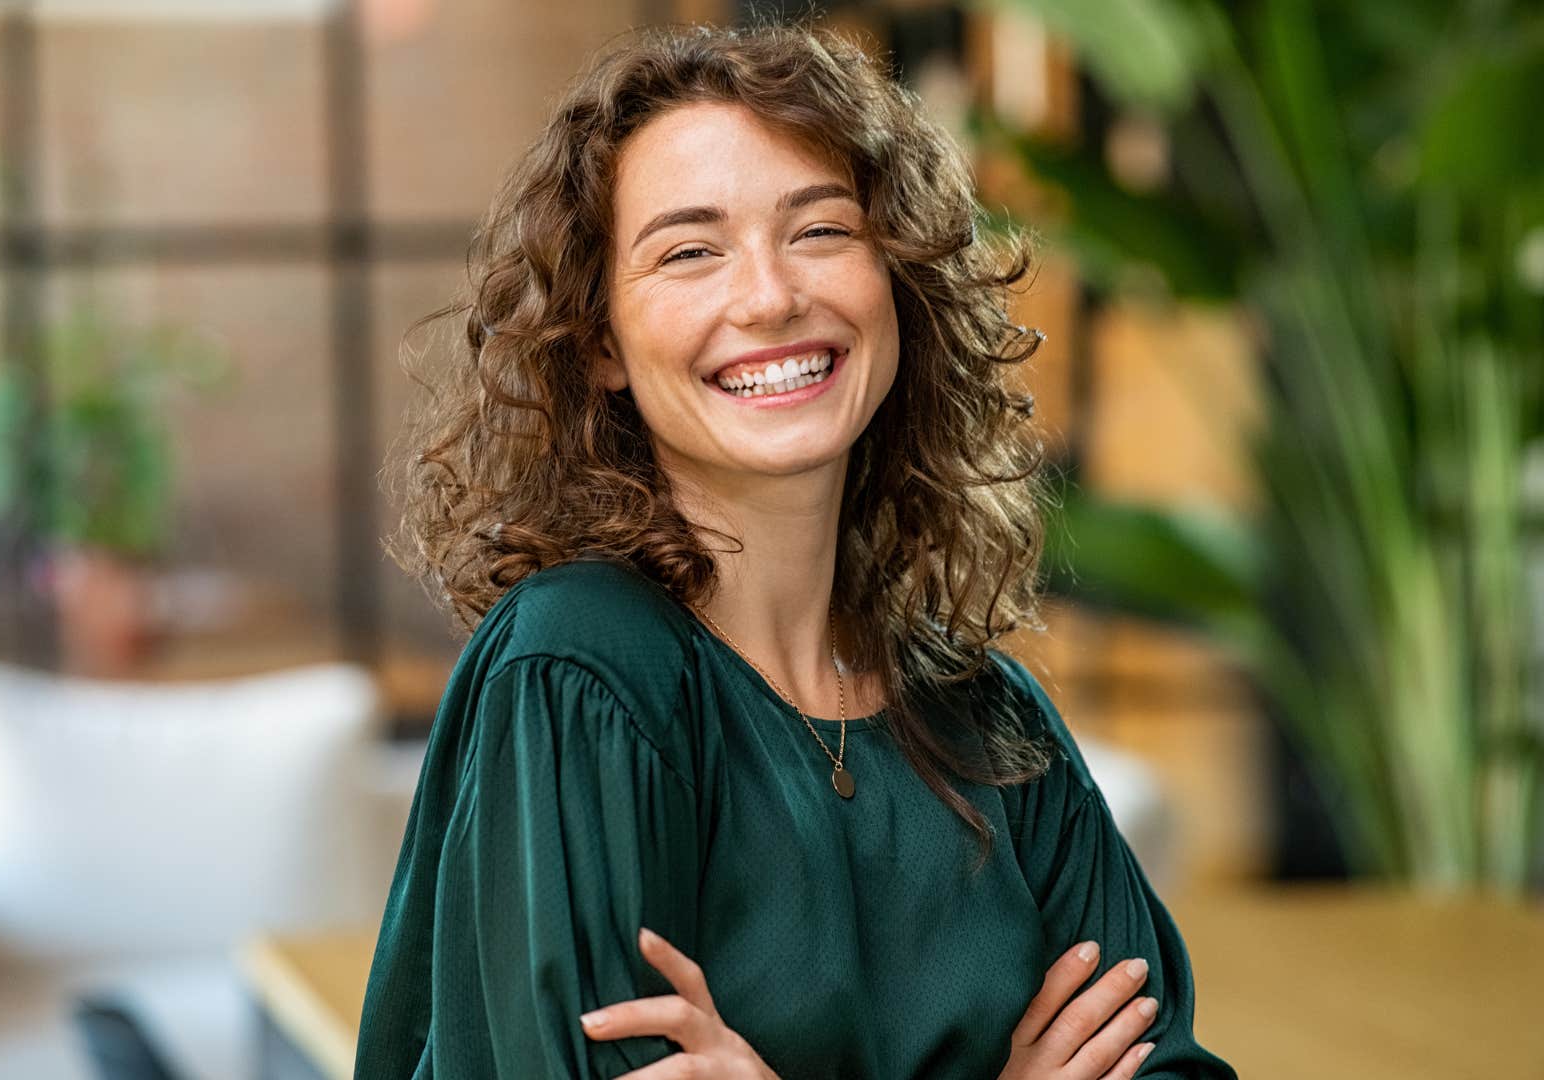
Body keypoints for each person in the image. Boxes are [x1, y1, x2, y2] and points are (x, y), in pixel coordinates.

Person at [355, 18, 1237, 1080]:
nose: (771, 296)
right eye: (689, 251)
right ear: (599, 343)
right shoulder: (581, 671)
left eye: (820, 231)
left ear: (896, 280)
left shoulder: (990, 724)